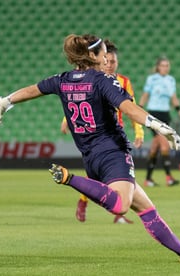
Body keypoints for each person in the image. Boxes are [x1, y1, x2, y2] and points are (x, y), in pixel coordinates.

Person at [0, 34, 180, 263]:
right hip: (113, 154)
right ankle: (69, 179)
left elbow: (32, 90)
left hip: (91, 160)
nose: (107, 58)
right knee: (121, 206)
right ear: (92, 56)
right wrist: (159, 126)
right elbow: (128, 108)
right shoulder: (102, 80)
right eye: (104, 54)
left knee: (147, 210)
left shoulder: (62, 80)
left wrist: (6, 101)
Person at [61, 39, 143, 224]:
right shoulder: (92, 79)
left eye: (113, 61)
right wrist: (66, 120)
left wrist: (139, 132)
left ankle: (117, 214)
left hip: (115, 134)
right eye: (107, 59)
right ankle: (85, 202)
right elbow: (79, 101)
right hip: (97, 137)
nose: (110, 64)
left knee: (115, 179)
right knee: (102, 179)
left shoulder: (122, 81)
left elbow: (132, 108)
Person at [139, 56, 180, 187]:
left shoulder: (171, 80)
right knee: (165, 144)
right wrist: (139, 111)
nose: (165, 68)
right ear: (158, 67)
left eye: (167, 65)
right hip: (154, 114)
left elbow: (174, 98)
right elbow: (145, 95)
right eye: (163, 65)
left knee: (155, 147)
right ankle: (169, 177)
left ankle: (148, 179)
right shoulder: (152, 79)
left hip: (165, 114)